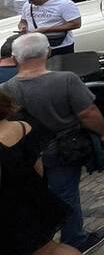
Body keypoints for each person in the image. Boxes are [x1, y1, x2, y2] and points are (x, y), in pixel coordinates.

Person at [2, 33, 104, 253]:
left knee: (40, 196)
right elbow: (88, 113)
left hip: (28, 153)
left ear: (14, 58)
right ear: (48, 52)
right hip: (64, 150)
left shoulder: (6, 88)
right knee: (67, 196)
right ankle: (76, 240)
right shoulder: (66, 79)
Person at [0, 88, 82, 255]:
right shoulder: (22, 126)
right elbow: (38, 167)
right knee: (50, 248)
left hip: (10, 213)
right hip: (33, 199)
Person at [16, 0, 81, 55]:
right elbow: (23, 21)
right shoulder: (27, 5)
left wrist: (46, 29)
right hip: (37, 47)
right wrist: (22, 27)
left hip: (59, 47)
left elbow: (76, 24)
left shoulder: (65, 4)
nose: (30, 2)